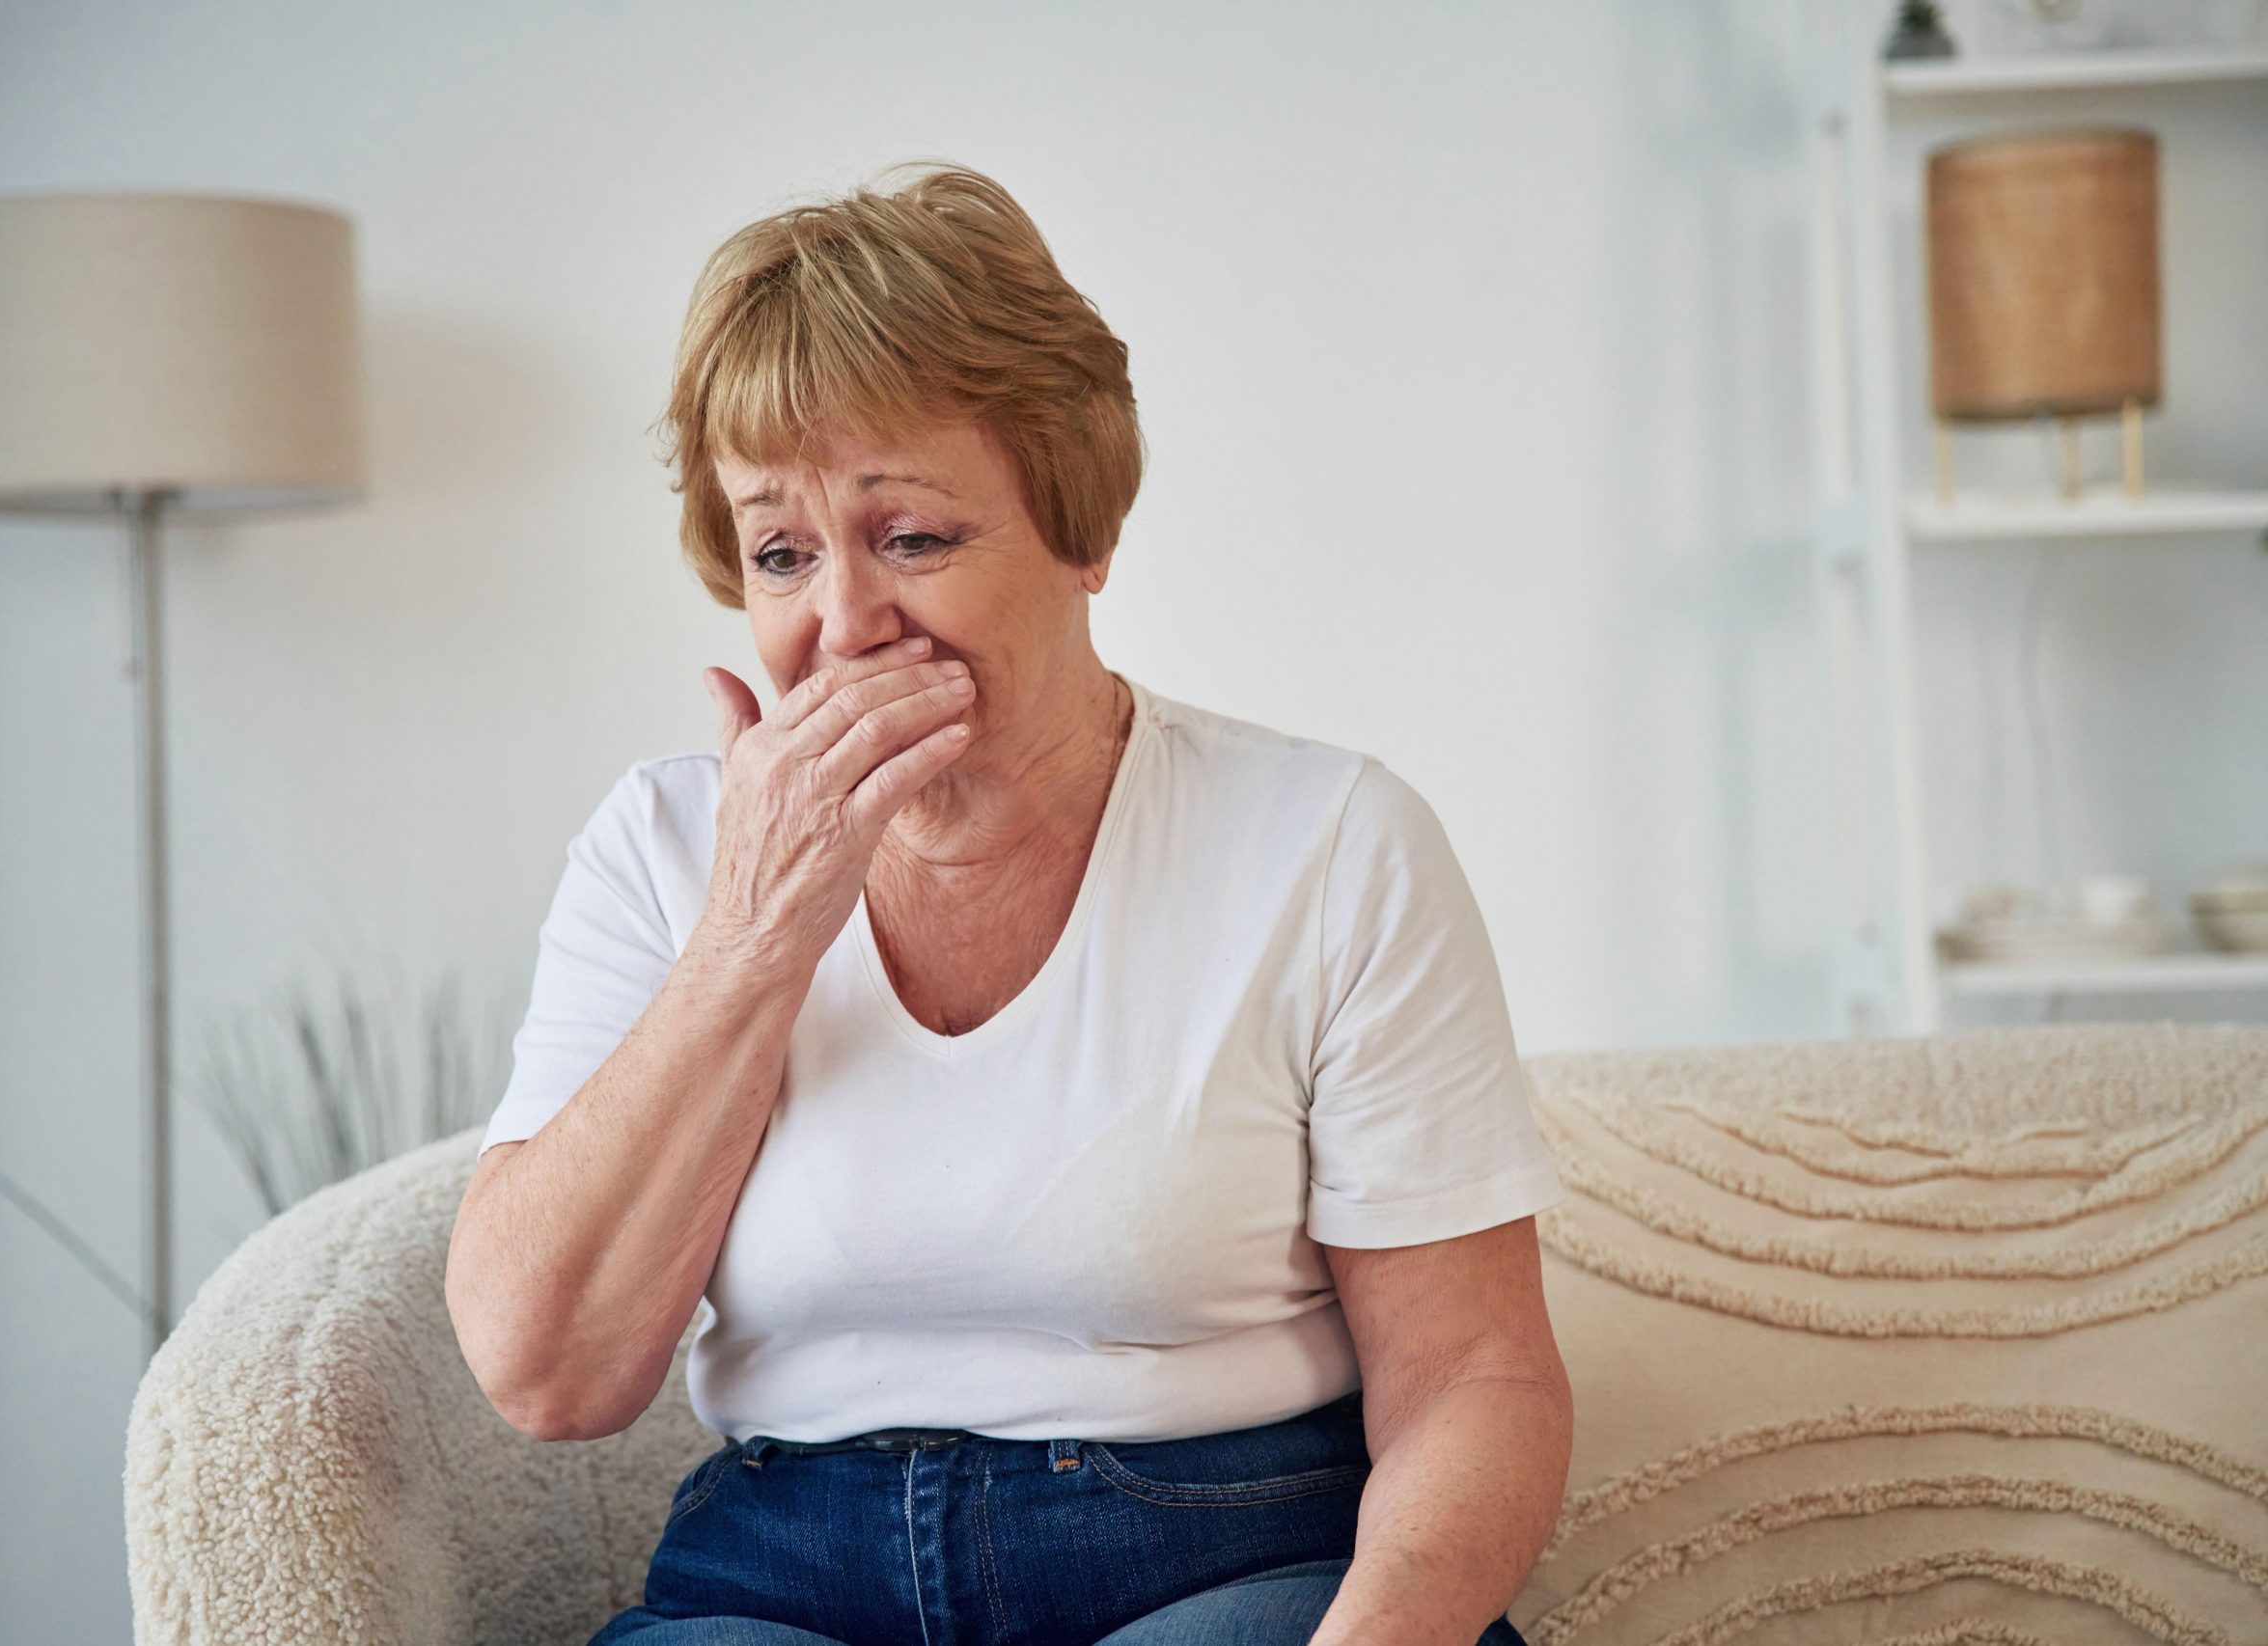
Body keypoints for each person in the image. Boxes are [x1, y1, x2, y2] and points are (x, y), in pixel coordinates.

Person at [445, 159, 1570, 1646]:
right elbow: (547, 1375)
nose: (845, 623)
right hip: (786, 1576)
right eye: (781, 552)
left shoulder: (1332, 845)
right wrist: (755, 935)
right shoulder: (659, 850)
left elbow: (1477, 1376)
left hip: (1221, 1565)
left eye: (911, 537)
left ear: (1082, 528)